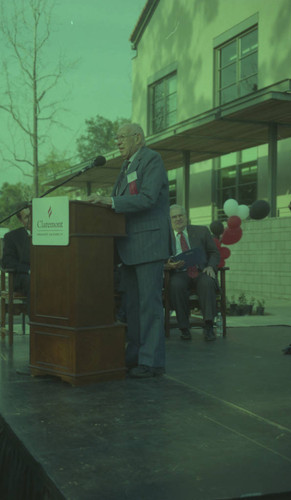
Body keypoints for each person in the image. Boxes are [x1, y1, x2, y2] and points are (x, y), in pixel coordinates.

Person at [88, 123, 170, 378]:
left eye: (121, 137)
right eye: (116, 137)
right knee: (133, 307)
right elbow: (120, 201)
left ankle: (151, 362)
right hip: (128, 247)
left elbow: (147, 198)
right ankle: (135, 355)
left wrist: (110, 201)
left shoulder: (151, 159)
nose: (117, 141)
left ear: (138, 137)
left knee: (149, 306)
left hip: (148, 245)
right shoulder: (127, 166)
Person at [166, 204, 220, 341]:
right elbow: (159, 258)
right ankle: (184, 328)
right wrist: (169, 265)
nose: (178, 219)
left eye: (180, 215)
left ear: (186, 217)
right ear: (169, 220)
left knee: (207, 282)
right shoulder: (165, 237)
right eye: (174, 217)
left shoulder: (201, 231)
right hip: (179, 272)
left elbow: (214, 252)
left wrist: (210, 267)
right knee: (176, 285)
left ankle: (208, 326)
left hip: (200, 270)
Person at [2, 205, 31, 306]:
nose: (31, 219)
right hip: (22, 277)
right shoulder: (12, 237)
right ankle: (36, 320)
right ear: (20, 220)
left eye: (33, 215)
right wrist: (28, 270)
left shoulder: (49, 234)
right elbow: (8, 262)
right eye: (27, 217)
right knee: (33, 282)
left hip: (44, 275)